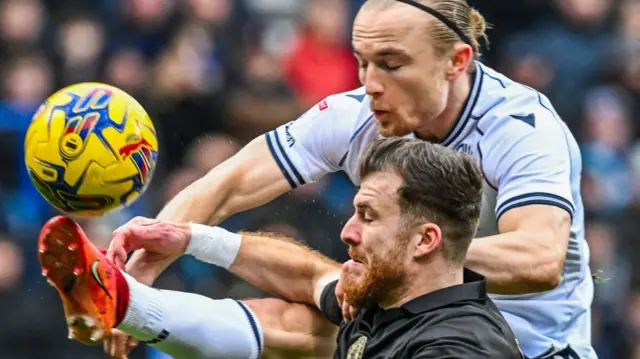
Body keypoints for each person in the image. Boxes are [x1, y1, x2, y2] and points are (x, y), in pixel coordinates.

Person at [107, 0, 594, 358]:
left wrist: (395, 259)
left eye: (391, 63)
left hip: (527, 348)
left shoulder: (522, 127)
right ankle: (138, 307)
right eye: (362, 61)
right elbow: (229, 182)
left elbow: (539, 257)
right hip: (411, 326)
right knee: (309, 313)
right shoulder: (359, 113)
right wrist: (143, 264)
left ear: (457, 62)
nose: (370, 83)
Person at [39, 138, 524, 359]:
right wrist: (190, 239)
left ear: (425, 241)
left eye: (368, 216)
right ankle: (125, 301)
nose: (347, 231)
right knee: (305, 318)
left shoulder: (458, 347)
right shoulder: (390, 298)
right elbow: (310, 277)